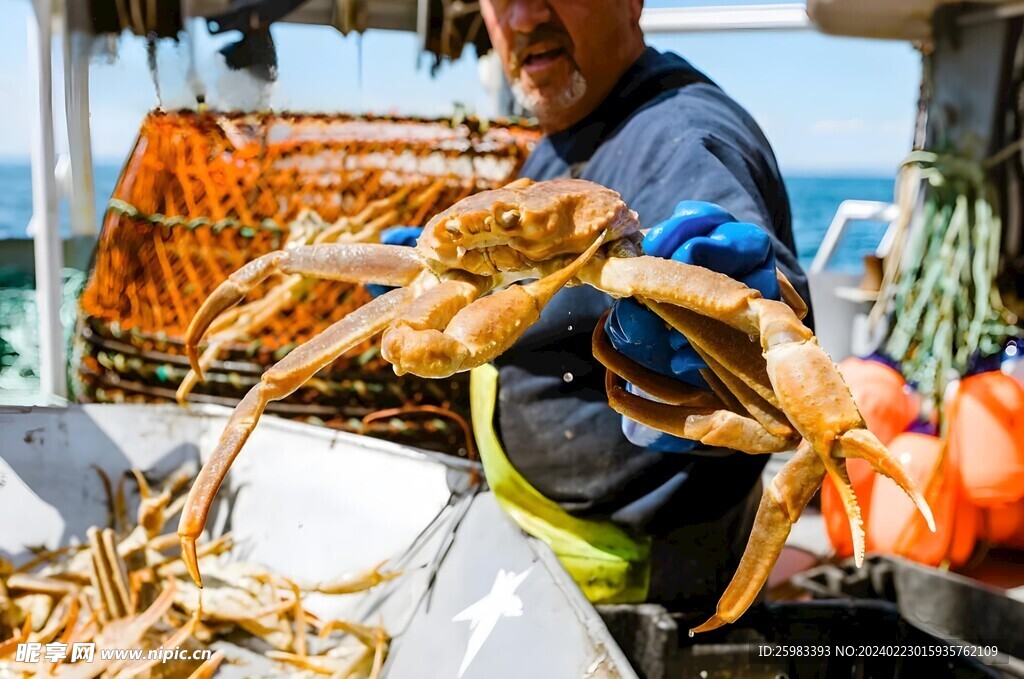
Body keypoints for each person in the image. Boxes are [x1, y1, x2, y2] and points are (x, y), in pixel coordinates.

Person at [383, 0, 812, 624]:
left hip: (639, 577)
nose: (524, 16)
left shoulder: (684, 136)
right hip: (531, 534)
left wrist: (713, 366)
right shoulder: (570, 130)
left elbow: (778, 354)